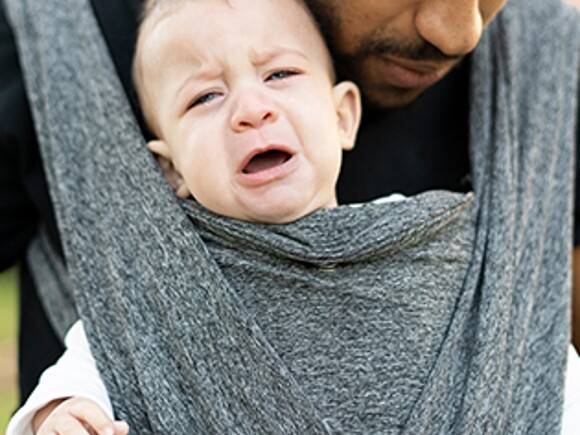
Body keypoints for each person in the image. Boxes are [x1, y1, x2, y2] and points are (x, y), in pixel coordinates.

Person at [7, 0, 580, 433]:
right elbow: (90, 365)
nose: (460, 31)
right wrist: (59, 415)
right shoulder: (55, 39)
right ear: (166, 171)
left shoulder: (544, 72)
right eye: (204, 98)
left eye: (280, 75)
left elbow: (542, 364)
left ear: (342, 114)